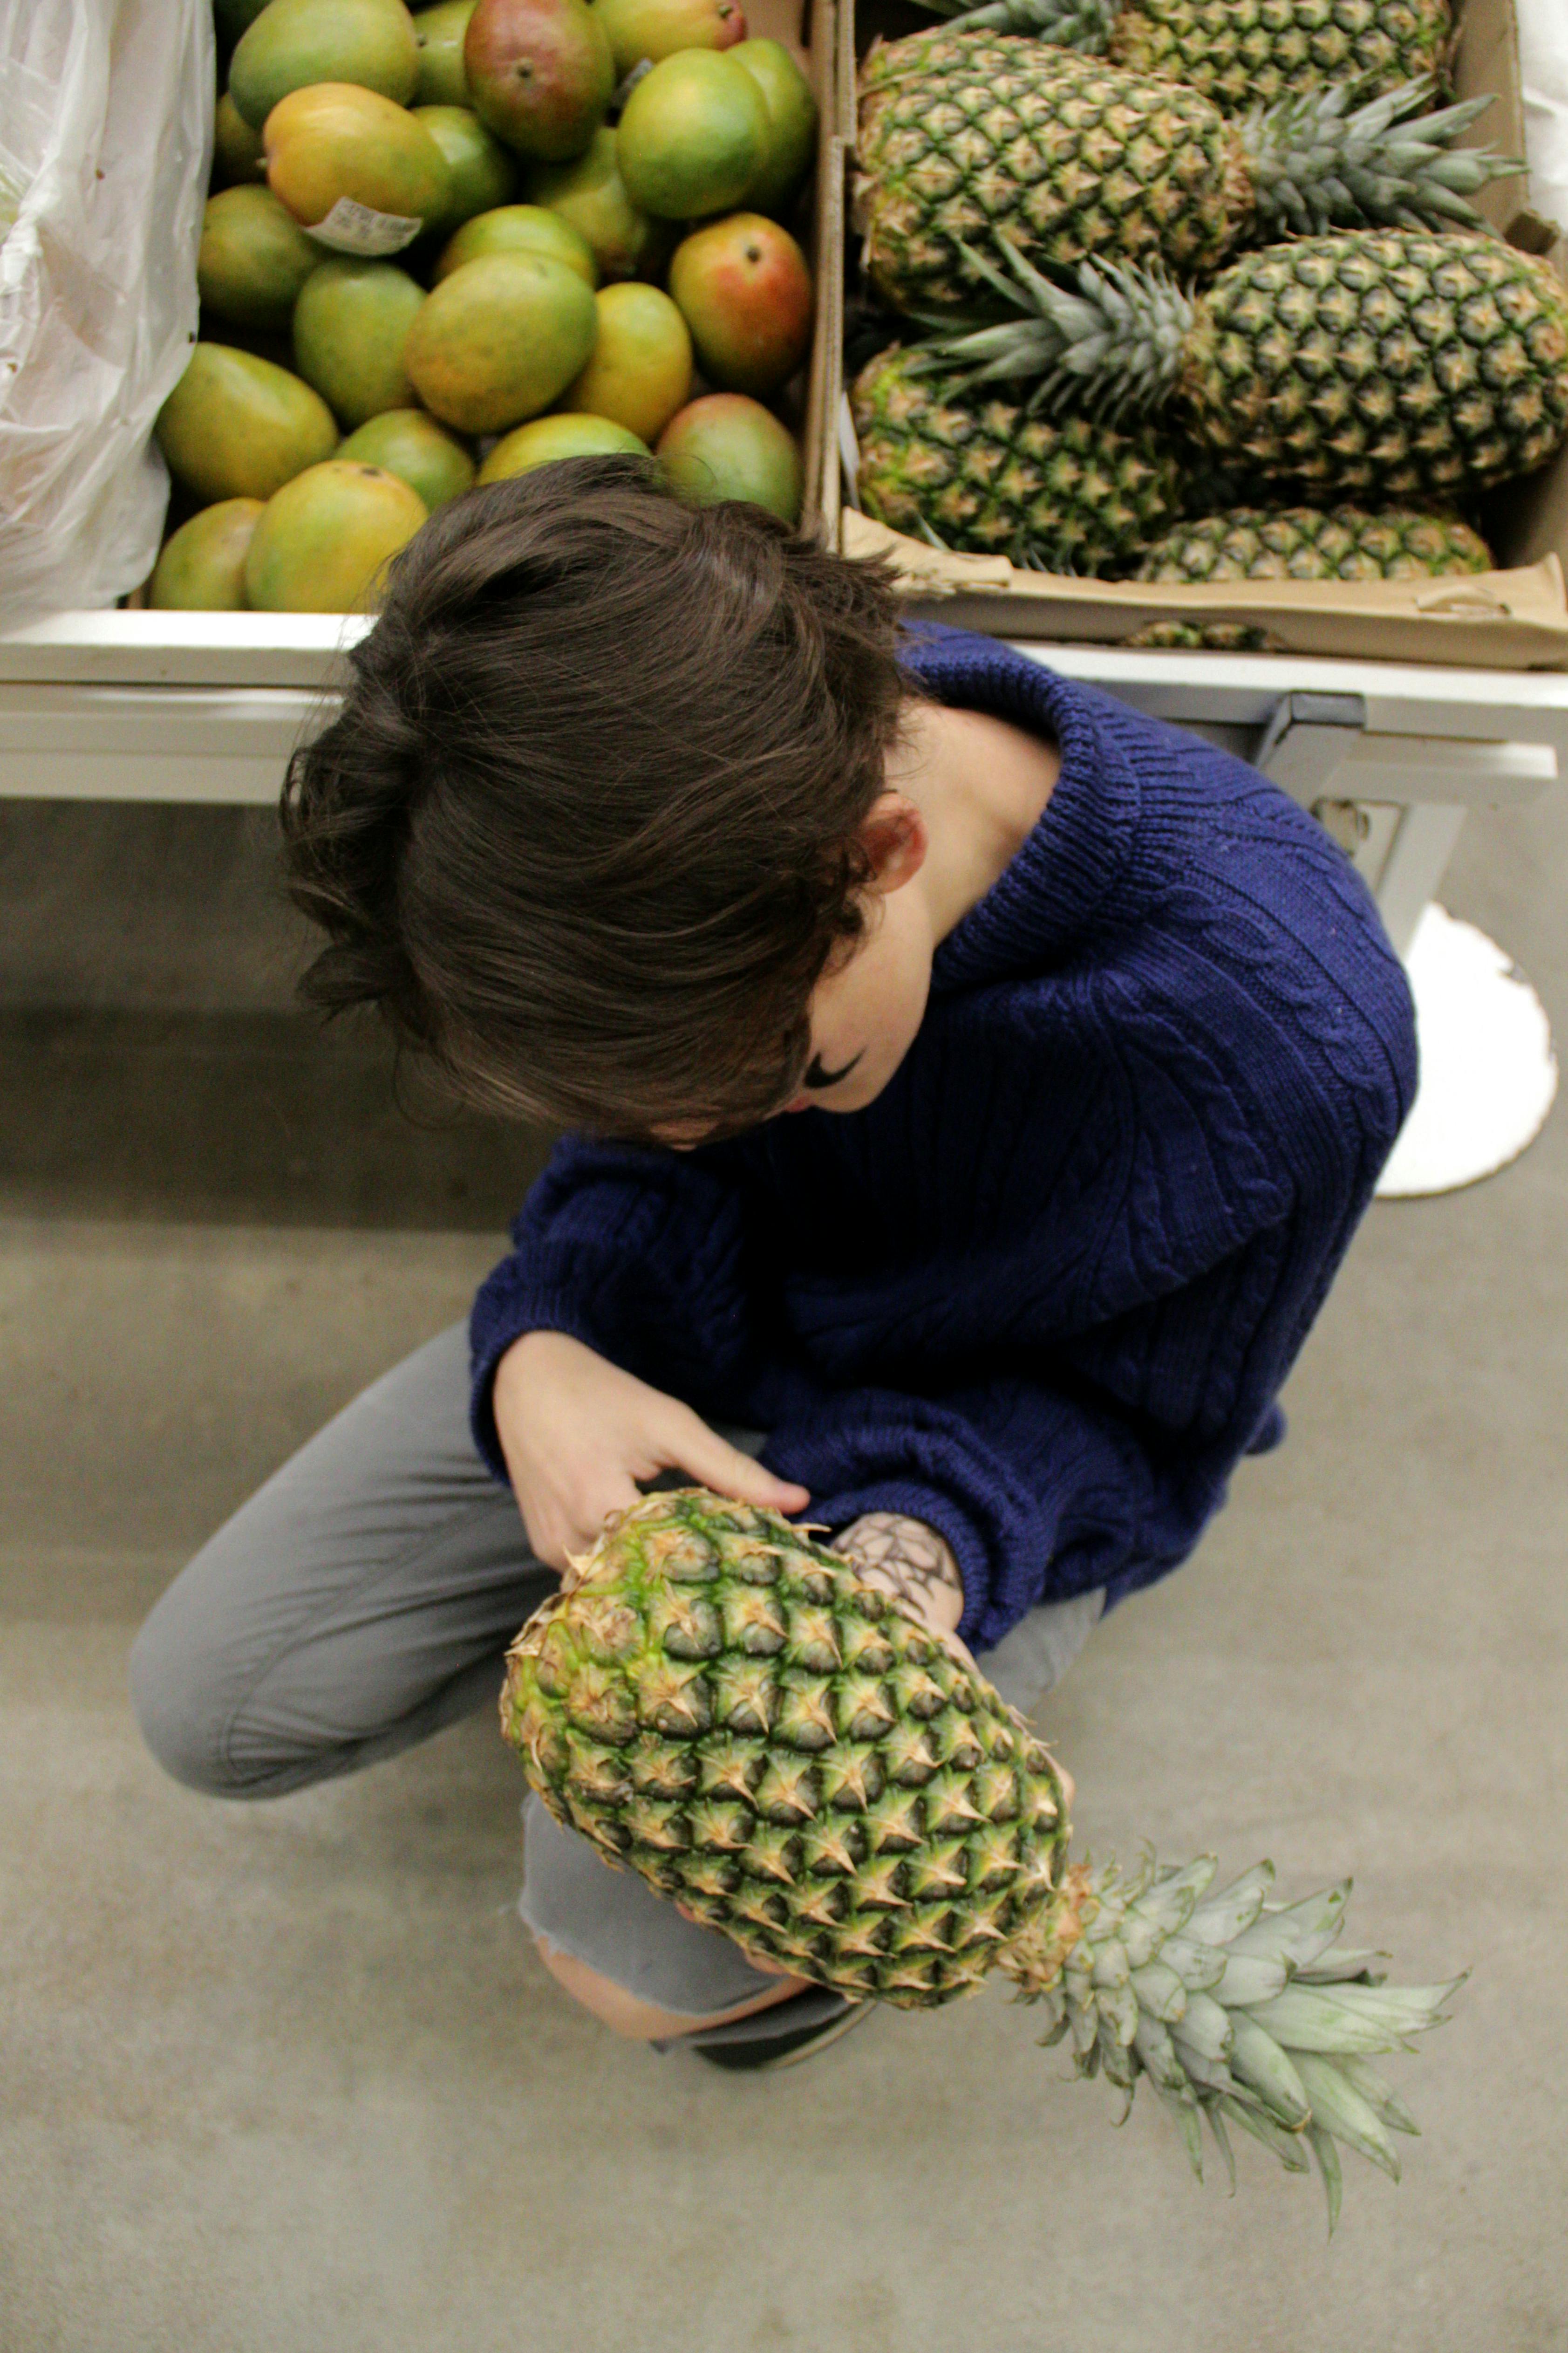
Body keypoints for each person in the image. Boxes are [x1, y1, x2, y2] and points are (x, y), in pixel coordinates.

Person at [130, 462, 1417, 2072]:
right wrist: (549, 1346)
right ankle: (624, 1721)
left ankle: (783, 1953)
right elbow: (636, 1160)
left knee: (634, 1959)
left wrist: (918, 1554)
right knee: (216, 1705)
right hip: (679, 1340)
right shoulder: (687, 771)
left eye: (770, 1082)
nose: (690, 1135)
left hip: (972, 1471)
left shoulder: (1294, 1033)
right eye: (633, 1103)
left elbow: (1149, 1432)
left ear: (876, 854)